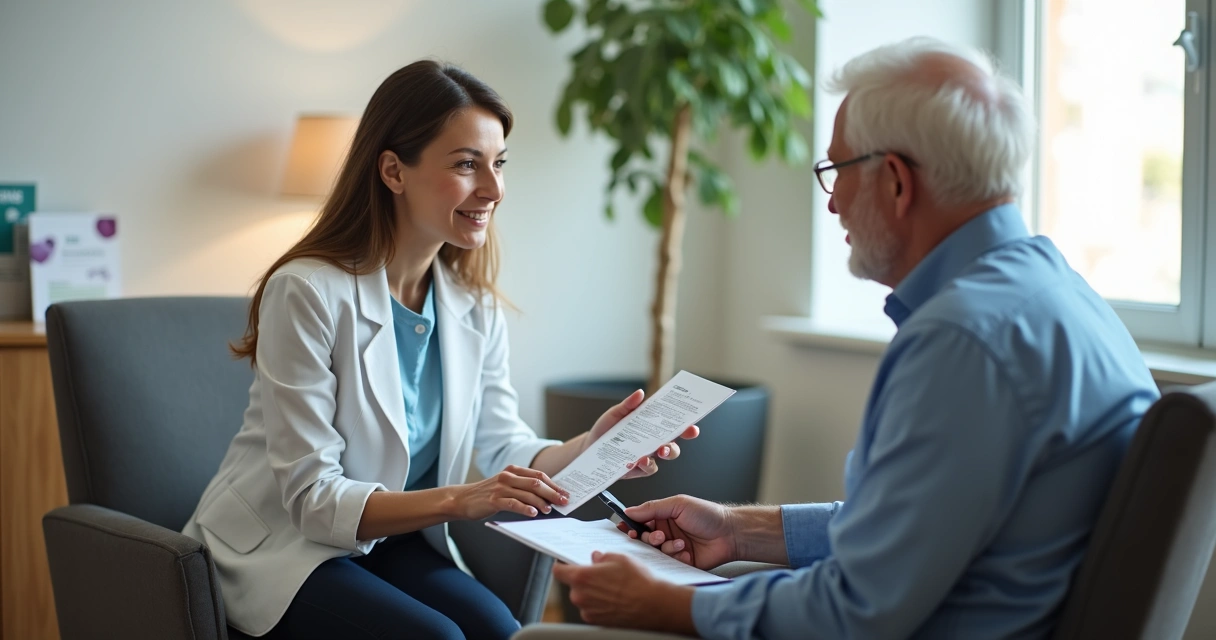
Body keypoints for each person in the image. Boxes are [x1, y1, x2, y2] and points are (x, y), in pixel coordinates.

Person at [545, 37, 1160, 639]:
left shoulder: (963, 339)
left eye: (837, 169)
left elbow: (858, 608)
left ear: (895, 180)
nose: (833, 201)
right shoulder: (1057, 294)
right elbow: (906, 535)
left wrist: (668, 608)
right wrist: (737, 530)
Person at [182, 60, 697, 640]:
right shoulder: (306, 291)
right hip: (284, 545)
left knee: (502, 632)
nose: (494, 189)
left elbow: (505, 443)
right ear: (393, 171)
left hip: (391, 542)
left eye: (498, 163)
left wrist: (592, 445)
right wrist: (463, 499)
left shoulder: (473, 305)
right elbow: (312, 499)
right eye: (466, 165)